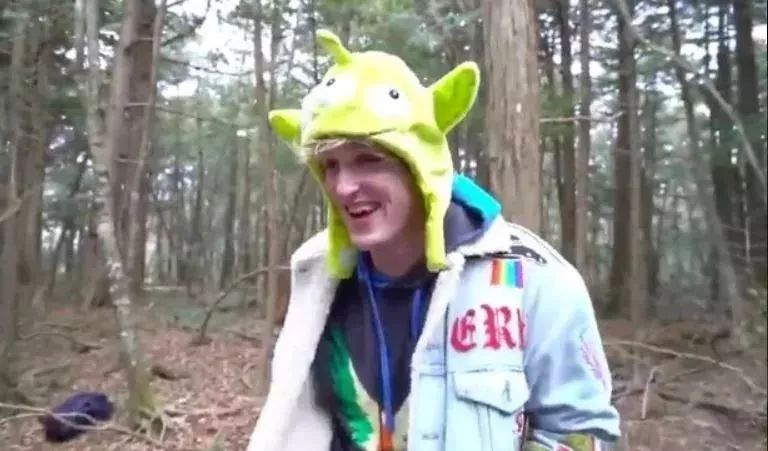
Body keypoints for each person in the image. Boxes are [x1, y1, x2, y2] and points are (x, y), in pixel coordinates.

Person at [246, 29, 620, 451]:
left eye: (368, 159)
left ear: (420, 165)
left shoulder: (532, 281)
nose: (344, 186)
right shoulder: (317, 276)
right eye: (330, 165)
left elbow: (582, 433)